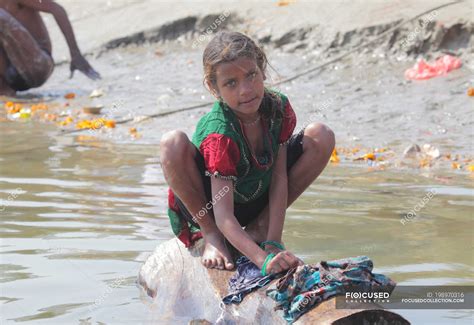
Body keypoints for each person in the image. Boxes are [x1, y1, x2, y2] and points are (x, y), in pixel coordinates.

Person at [160, 31, 335, 276]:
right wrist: (262, 261)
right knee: (172, 143)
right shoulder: (219, 135)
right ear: (214, 88)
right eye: (231, 83)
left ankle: (260, 227)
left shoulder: (277, 109)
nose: (246, 90)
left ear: (262, 70)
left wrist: (273, 241)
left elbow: (279, 179)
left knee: (322, 135)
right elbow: (224, 216)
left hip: (254, 198)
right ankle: (212, 238)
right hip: (211, 207)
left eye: (251, 75)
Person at [0, 0, 100, 96]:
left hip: (38, 65)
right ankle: (5, 92)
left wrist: (75, 54)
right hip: (10, 77)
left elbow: (57, 10)